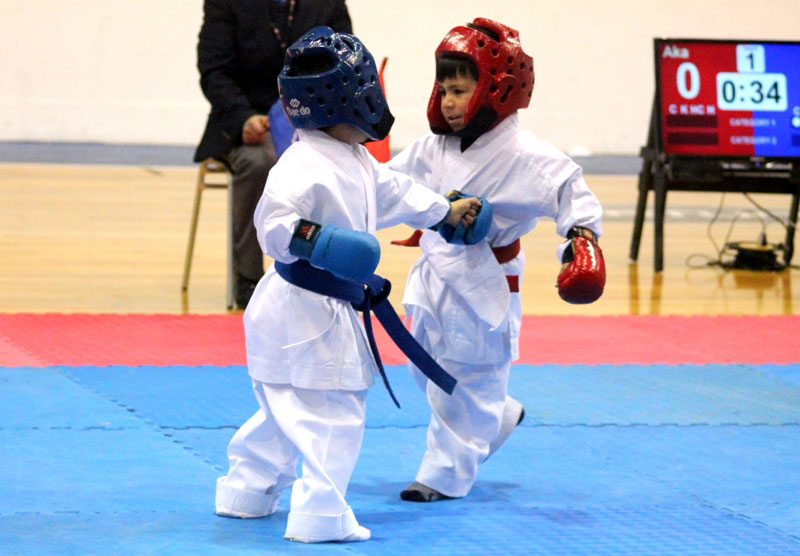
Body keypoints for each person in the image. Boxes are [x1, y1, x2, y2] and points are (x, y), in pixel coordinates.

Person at [213, 27, 485, 543]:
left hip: (296, 311)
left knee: (281, 411)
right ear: (352, 101)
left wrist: (441, 210)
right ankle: (320, 516)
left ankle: (246, 490)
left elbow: (396, 191)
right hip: (310, 307)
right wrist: (321, 241)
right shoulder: (301, 164)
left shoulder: (354, 159)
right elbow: (272, 224)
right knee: (332, 415)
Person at [386, 18, 606, 502]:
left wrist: (582, 244)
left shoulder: (530, 156)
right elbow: (388, 186)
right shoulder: (432, 147)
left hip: (487, 277)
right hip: (433, 274)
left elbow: (574, 194)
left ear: (497, 90)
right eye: (443, 88)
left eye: (460, 89)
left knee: (471, 373)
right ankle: (500, 416)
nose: (448, 100)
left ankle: (443, 476)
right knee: (426, 367)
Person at [194, 0, 352, 308]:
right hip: (247, 123)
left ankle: (325, 269)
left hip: (314, 121)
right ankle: (248, 278)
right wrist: (242, 117)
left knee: (336, 162)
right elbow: (214, 71)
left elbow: (345, 61)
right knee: (258, 163)